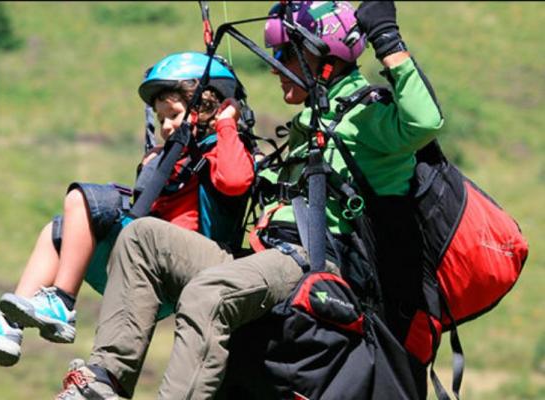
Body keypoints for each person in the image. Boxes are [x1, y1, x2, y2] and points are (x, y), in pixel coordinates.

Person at [55, 1, 443, 399]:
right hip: (268, 256)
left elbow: (424, 121)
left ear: (325, 53)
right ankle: (107, 379)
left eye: (286, 52)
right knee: (142, 238)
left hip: (315, 261)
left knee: (209, 293)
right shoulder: (312, 122)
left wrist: (387, 39)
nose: (275, 65)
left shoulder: (367, 116)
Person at [0, 51, 254, 368]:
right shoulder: (171, 158)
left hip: (185, 264)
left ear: (204, 109)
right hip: (149, 261)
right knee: (59, 232)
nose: (165, 126)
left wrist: (226, 125)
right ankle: (7, 328)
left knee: (84, 199)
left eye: (173, 115)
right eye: (160, 118)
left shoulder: (219, 145)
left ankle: (62, 305)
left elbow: (236, 180)